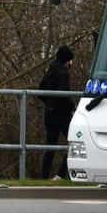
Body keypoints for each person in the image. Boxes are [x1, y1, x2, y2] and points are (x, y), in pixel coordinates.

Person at [39, 45, 76, 181]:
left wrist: (49, 103)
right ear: (67, 60)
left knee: (51, 145)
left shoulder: (50, 71)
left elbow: (40, 90)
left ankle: (43, 177)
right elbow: (64, 95)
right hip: (62, 114)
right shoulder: (64, 74)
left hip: (49, 114)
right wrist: (72, 106)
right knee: (74, 143)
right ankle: (60, 175)